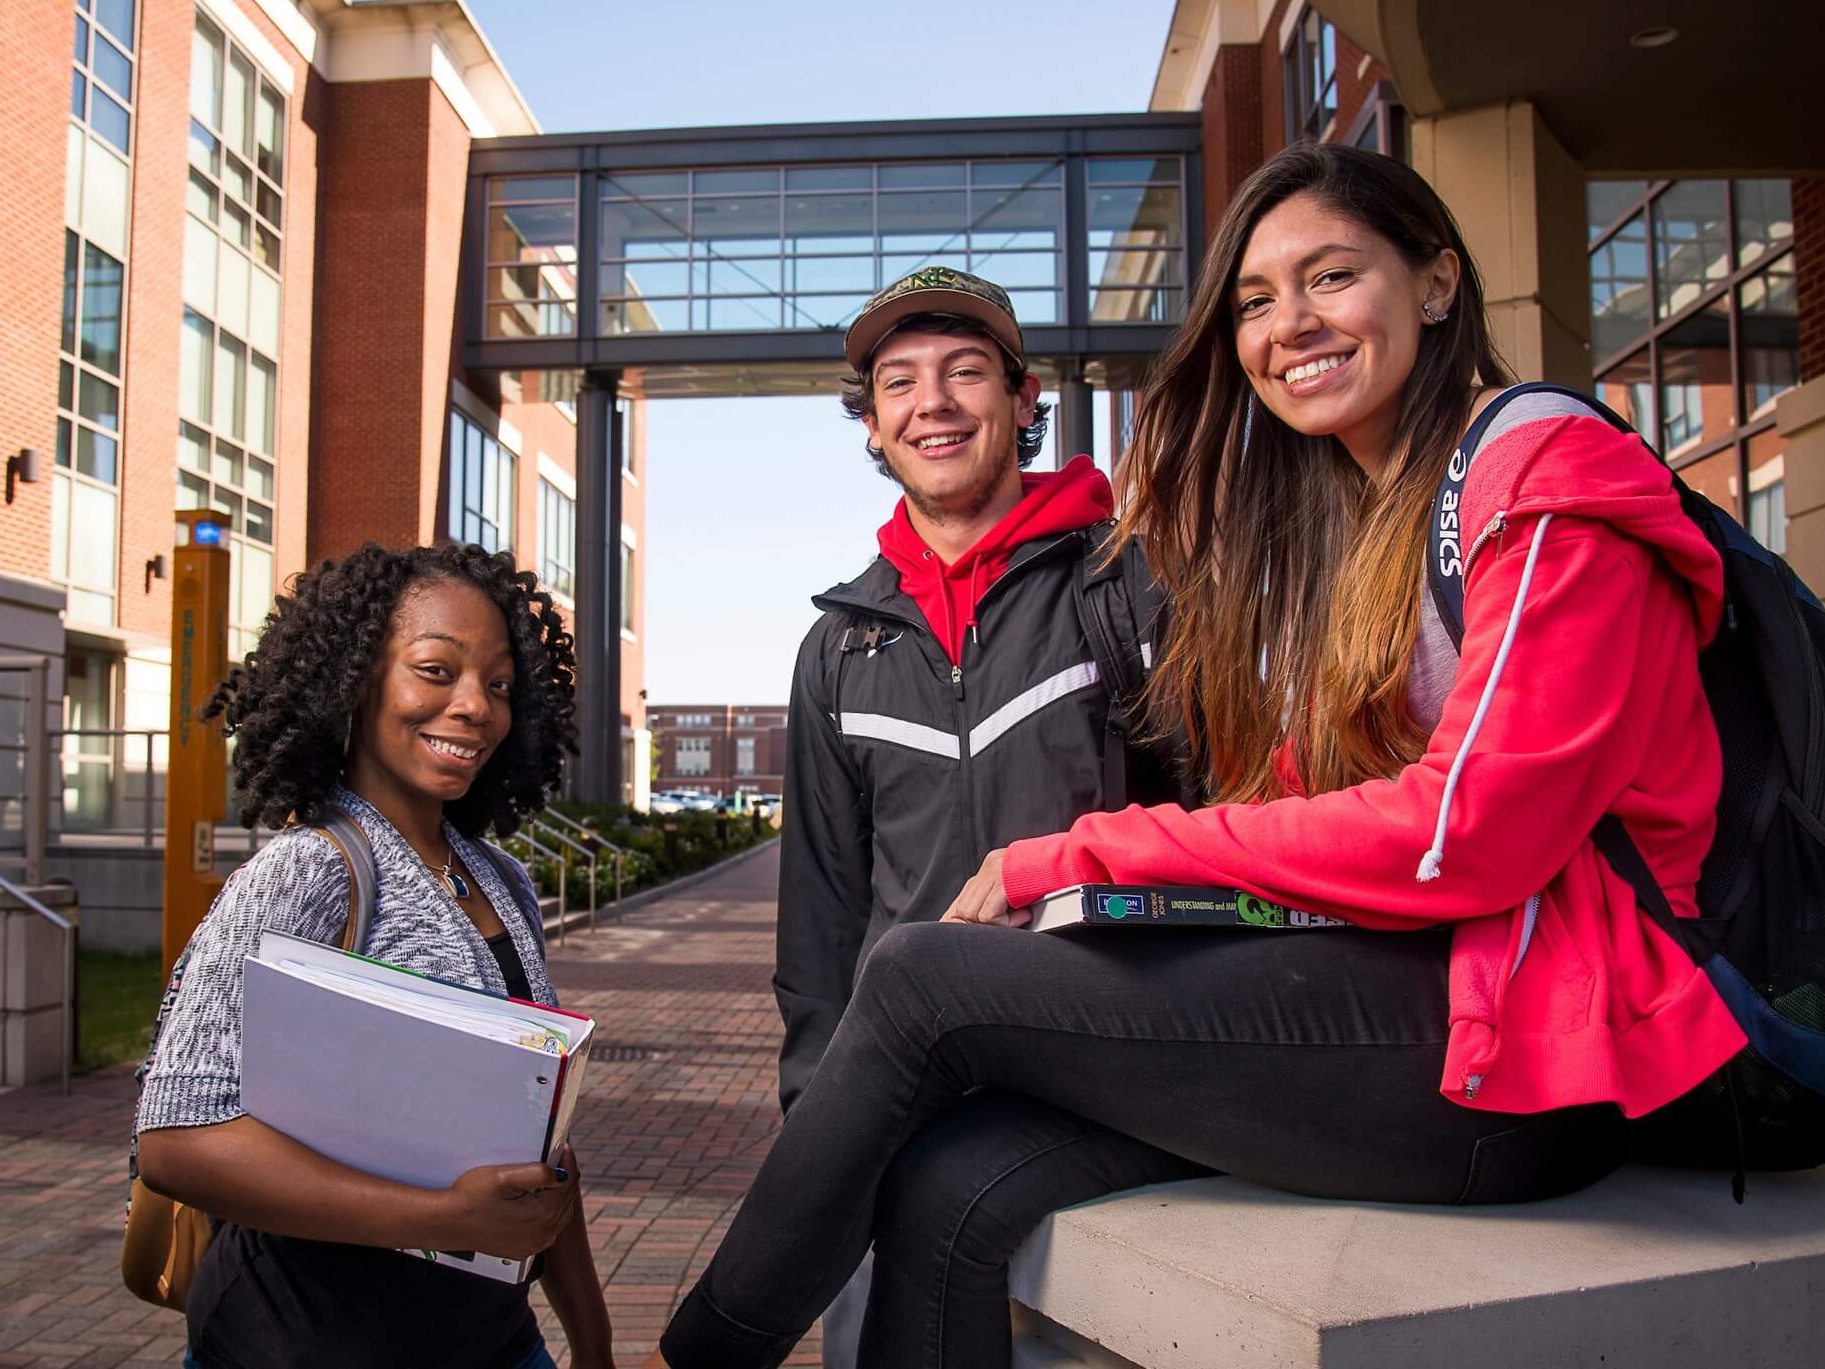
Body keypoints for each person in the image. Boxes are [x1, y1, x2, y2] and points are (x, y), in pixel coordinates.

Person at [652, 143, 1749, 1368]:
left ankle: (697, 1357)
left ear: (1437, 282)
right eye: (1256, 300)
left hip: (1539, 1049)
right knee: (945, 1182)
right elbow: (1296, 793)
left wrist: (1083, 850)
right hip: (1413, 1003)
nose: (1292, 324)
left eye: (1331, 275)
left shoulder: (1543, 468)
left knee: (918, 976)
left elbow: (1466, 831)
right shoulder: (1372, 516)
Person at [776, 267, 1192, 1363]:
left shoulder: (1128, 589)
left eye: (966, 371)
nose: (935, 402)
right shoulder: (839, 649)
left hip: (1090, 1089)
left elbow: (1211, 827)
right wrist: (820, 1117)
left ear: (1023, 396)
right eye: (900, 381)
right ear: (872, 424)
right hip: (897, 1103)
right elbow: (821, 918)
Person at [133, 542, 613, 1369]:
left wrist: (594, 1344)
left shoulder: (500, 881)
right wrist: (447, 1219)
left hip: (492, 1340)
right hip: (309, 1340)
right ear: (355, 680)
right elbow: (176, 1138)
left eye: (499, 686)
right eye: (436, 670)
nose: (475, 708)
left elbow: (539, 1147)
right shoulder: (305, 872)